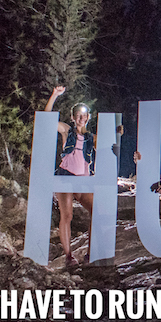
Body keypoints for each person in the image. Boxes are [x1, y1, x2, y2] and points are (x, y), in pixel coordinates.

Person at [45, 85, 96, 267]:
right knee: (67, 216)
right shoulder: (67, 130)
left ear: (88, 117)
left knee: (96, 212)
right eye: (78, 116)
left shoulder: (91, 137)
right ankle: (68, 256)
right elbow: (47, 119)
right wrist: (55, 95)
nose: (81, 118)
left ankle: (91, 253)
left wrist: (118, 132)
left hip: (83, 180)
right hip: (65, 176)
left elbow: (111, 144)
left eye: (84, 115)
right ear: (73, 117)